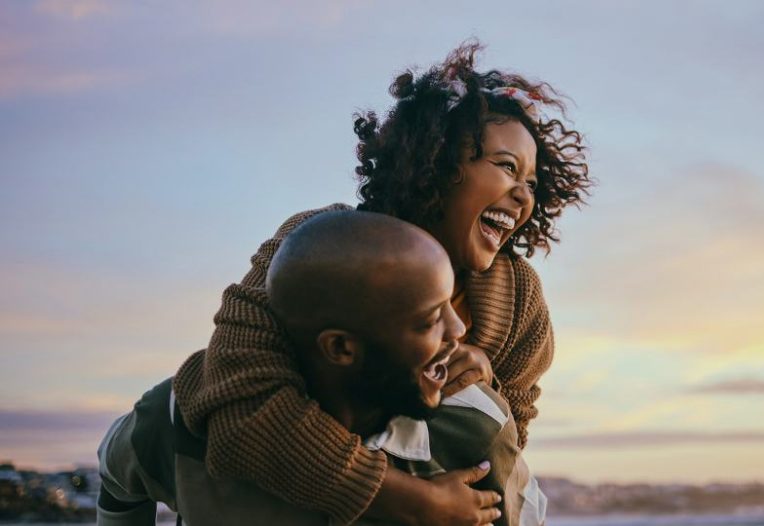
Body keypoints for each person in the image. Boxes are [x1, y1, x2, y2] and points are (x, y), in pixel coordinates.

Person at [171, 41, 591, 525]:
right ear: (437, 163)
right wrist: (406, 499)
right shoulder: (318, 245)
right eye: (505, 166)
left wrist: (485, 383)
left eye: (533, 183)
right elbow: (241, 403)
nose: (523, 195)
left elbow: (505, 446)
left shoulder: (519, 301)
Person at [97, 211, 546, 525]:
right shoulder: (182, 417)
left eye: (451, 304)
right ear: (341, 348)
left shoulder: (477, 427)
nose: (457, 330)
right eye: (430, 319)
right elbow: (117, 478)